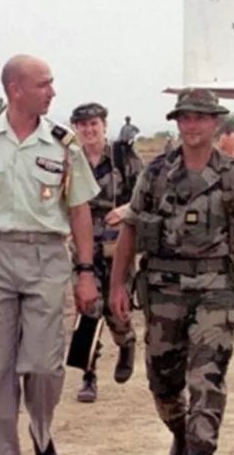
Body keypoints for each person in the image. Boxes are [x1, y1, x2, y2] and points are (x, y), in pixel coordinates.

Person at [109, 88, 234, 455]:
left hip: (215, 292)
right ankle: (182, 434)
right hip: (163, 292)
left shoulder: (233, 177)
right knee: (163, 384)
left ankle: (199, 445)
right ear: (177, 123)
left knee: (207, 383)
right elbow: (130, 230)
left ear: (215, 123)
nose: (192, 125)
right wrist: (117, 286)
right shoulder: (156, 174)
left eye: (200, 118)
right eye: (185, 118)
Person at [0, 54, 100, 455]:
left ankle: (41, 432)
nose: (52, 92)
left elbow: (80, 210)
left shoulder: (63, 144)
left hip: (45, 257)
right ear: (16, 90)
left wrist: (85, 272)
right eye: (44, 84)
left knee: (44, 365)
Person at [69, 102, 143, 403]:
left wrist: (126, 210)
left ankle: (126, 342)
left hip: (118, 247)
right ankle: (88, 375)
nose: (89, 130)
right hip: (83, 248)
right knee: (87, 310)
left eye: (94, 124)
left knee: (116, 309)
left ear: (104, 126)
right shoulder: (70, 160)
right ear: (76, 129)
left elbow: (146, 193)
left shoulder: (123, 157)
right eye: (83, 125)